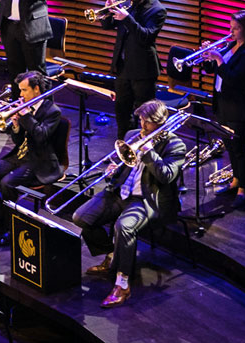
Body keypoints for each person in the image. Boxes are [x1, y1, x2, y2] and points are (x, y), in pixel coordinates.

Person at [72, 101, 188, 308]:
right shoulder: (132, 135)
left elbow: (166, 176)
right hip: (119, 192)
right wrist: (113, 170)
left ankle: (122, 284)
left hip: (146, 199)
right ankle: (111, 255)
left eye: (147, 121)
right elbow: (125, 166)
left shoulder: (175, 145)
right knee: (81, 217)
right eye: (141, 119)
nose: (142, 124)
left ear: (160, 122)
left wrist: (150, 152)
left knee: (124, 227)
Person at [0, 71, 66, 236]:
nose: (21, 95)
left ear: (36, 89)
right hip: (20, 155)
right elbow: (18, 140)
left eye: (24, 90)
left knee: (7, 183)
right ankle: (1, 213)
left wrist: (25, 117)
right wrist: (16, 125)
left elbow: (40, 136)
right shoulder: (26, 106)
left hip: (40, 160)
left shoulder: (52, 111)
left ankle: (11, 227)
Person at [201, 10, 245, 210]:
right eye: (230, 27)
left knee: (240, 150)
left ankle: (243, 188)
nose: (231, 31)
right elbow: (213, 70)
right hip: (222, 105)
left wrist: (219, 60)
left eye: (235, 28)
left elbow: (235, 80)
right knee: (230, 147)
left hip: (238, 108)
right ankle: (236, 181)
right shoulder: (231, 45)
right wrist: (207, 56)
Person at [100, 0, 168, 138]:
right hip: (123, 69)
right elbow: (108, 26)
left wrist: (127, 18)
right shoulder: (128, 5)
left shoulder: (158, 10)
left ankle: (144, 152)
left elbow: (146, 36)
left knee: (146, 117)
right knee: (122, 114)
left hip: (143, 71)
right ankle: (124, 150)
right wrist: (109, 10)